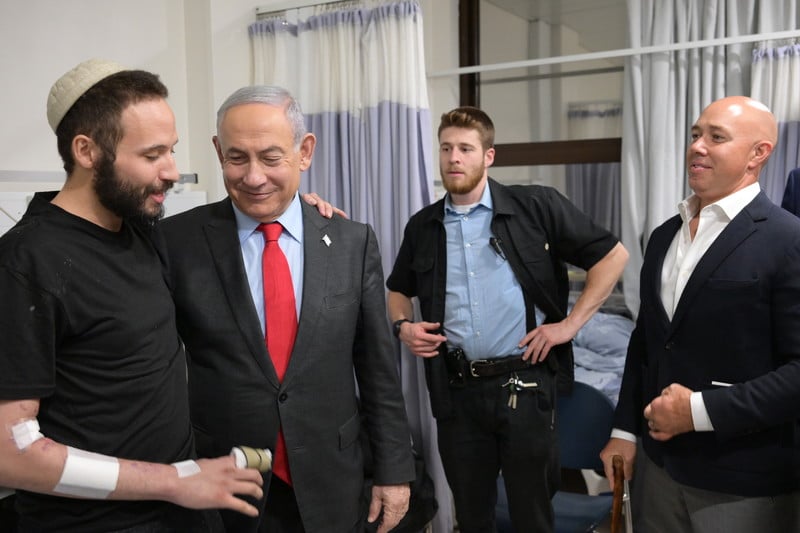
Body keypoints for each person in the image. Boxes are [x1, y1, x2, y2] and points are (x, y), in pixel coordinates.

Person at [0, 59, 265, 532]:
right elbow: (10, 453)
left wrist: (300, 213)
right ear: (87, 150)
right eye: (152, 155)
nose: (172, 171)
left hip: (184, 513)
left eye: (172, 151)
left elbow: (226, 226)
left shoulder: (140, 231)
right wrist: (172, 481)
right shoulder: (25, 263)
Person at [160, 85, 416, 533]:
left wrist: (394, 471)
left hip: (332, 478)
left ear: (305, 152)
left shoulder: (351, 243)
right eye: (236, 158)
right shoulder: (175, 242)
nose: (254, 177)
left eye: (271, 158)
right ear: (218, 151)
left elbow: (377, 368)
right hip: (223, 482)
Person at [386, 106, 629, 532]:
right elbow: (397, 291)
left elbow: (612, 256)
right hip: (457, 393)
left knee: (532, 516)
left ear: (489, 156)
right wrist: (403, 327)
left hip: (526, 385)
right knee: (471, 517)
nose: (454, 158)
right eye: (446, 148)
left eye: (465, 149)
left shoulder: (536, 206)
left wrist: (569, 326)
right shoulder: (423, 227)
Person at [600, 96, 800, 533]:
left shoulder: (788, 240)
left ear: (759, 153)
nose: (697, 146)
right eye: (695, 134)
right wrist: (625, 430)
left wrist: (698, 411)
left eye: (716, 137)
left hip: (742, 481)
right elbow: (647, 341)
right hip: (657, 469)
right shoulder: (663, 236)